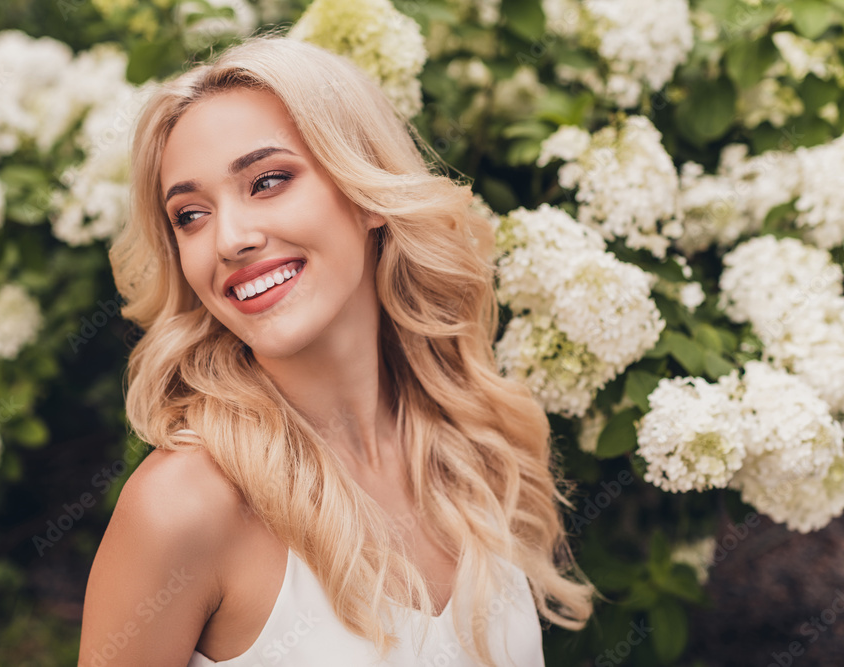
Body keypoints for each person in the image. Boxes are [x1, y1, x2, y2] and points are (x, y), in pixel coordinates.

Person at [79, 33, 593, 667]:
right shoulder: (183, 506)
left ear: (365, 192)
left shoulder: (470, 450)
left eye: (267, 181)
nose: (230, 239)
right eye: (190, 215)